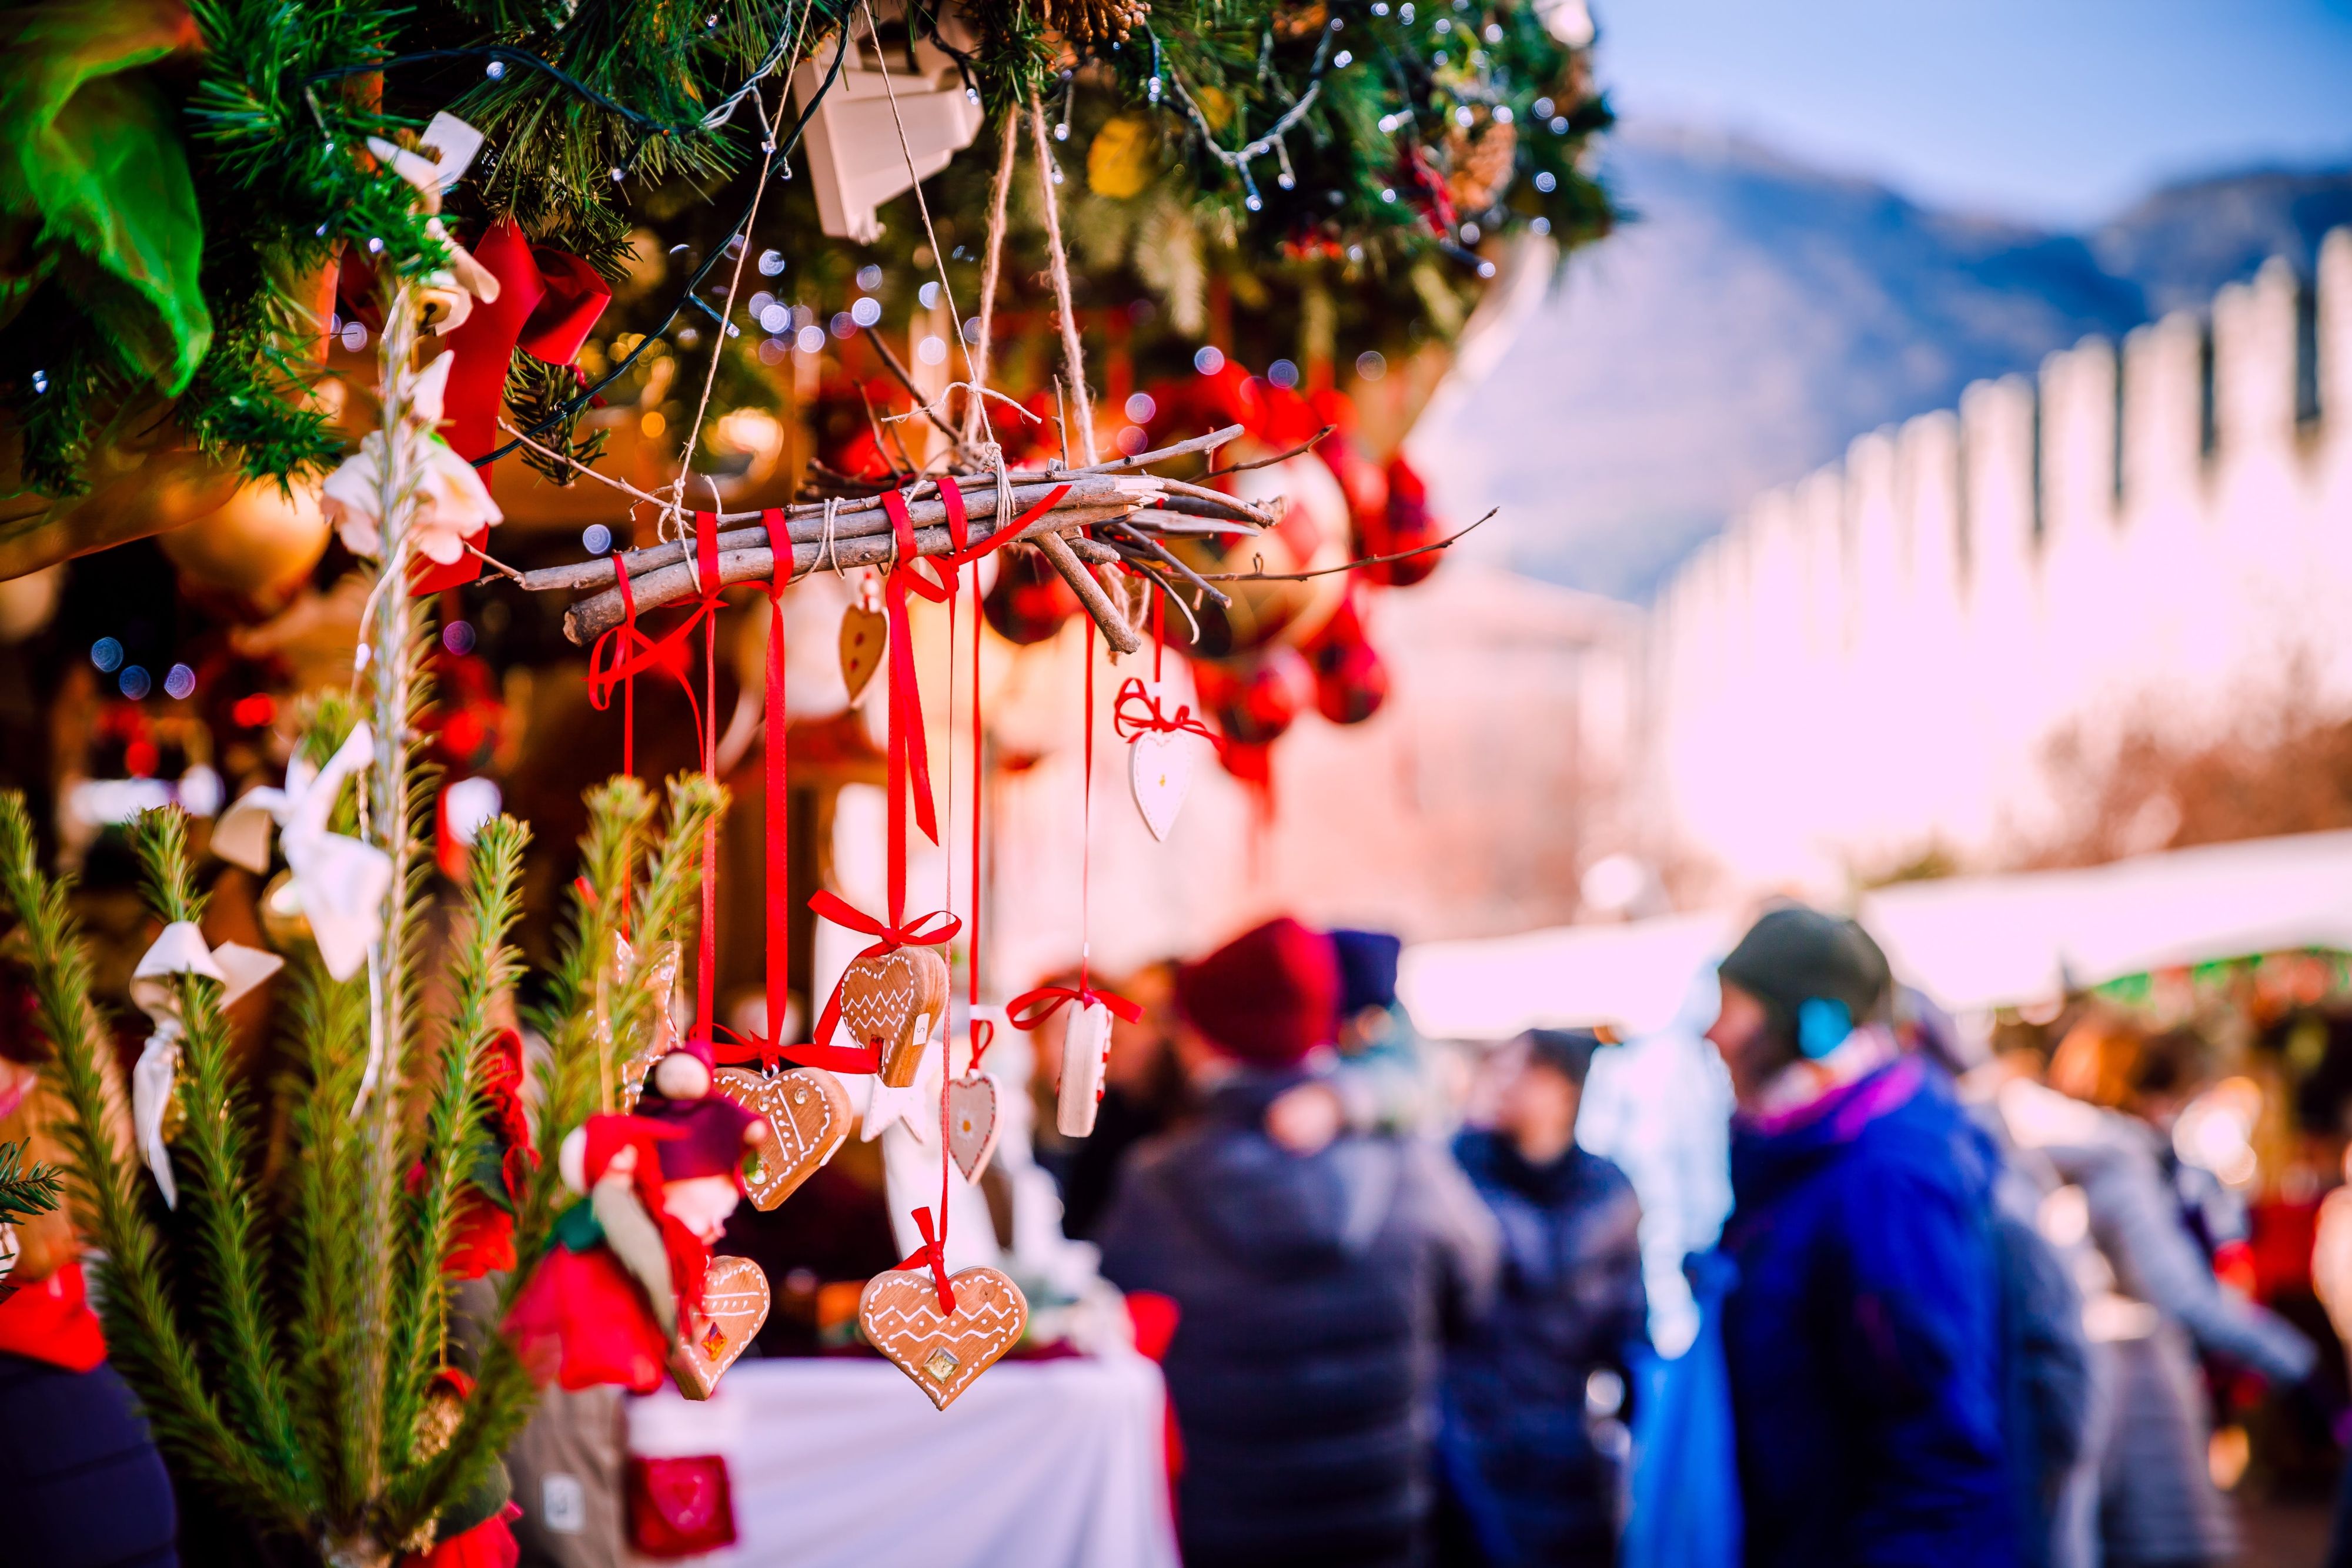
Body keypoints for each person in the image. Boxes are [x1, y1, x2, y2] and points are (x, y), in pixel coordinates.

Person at [1097, 916, 1499, 1568]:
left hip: (1224, 1526)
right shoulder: (1411, 1166)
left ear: (1204, 1040)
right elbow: (1475, 1290)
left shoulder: (1158, 1185)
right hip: (1380, 1524)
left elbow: (1118, 1325)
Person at [1706, 905, 2016, 1568]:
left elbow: (1936, 1448)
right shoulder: (1798, 1155)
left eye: (1734, 1009)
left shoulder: (1884, 1180)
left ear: (1805, 1027)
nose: (1714, 1033)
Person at [1440, 1028, 1648, 1567]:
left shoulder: (1609, 1193)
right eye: (1500, 1068)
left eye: (1526, 1070)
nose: (1505, 1082)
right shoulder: (1453, 1174)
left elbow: (1629, 1327)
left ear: (1566, 1090)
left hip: (1566, 1452)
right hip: (1466, 1449)